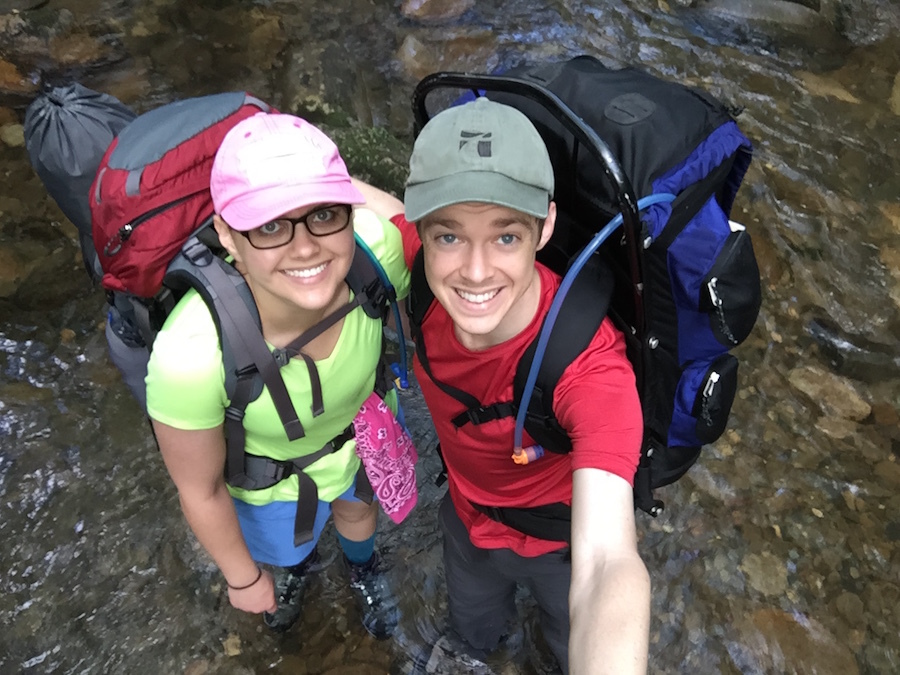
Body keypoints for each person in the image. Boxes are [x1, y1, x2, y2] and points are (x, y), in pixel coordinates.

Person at [354, 97, 650, 673]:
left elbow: (608, 561)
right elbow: (370, 202)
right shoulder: (421, 273)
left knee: (566, 649)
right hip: (466, 523)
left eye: (507, 236)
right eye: (450, 236)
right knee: (471, 633)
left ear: (546, 228)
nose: (476, 270)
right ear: (423, 233)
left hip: (559, 550)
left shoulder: (590, 369)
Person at [145, 112, 411, 638]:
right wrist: (243, 580)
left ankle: (362, 568)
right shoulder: (192, 356)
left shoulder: (377, 253)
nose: (306, 246)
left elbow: (406, 219)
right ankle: (293, 571)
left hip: (363, 440)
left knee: (359, 514)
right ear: (226, 234)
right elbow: (200, 491)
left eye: (324, 213)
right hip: (273, 485)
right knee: (290, 547)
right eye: (270, 225)